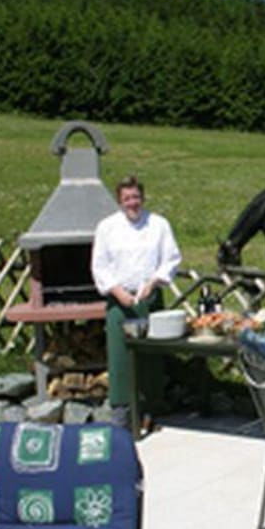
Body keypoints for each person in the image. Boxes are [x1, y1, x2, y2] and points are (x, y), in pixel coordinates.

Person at [91, 175, 182, 430]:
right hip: (119, 299)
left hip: (149, 297)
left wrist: (154, 281)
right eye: (127, 198)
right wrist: (117, 291)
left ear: (143, 197)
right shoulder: (107, 227)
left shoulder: (158, 225)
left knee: (150, 358)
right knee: (120, 355)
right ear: (119, 200)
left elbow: (171, 258)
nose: (133, 203)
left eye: (136, 197)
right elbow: (100, 264)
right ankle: (122, 411)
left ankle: (150, 408)